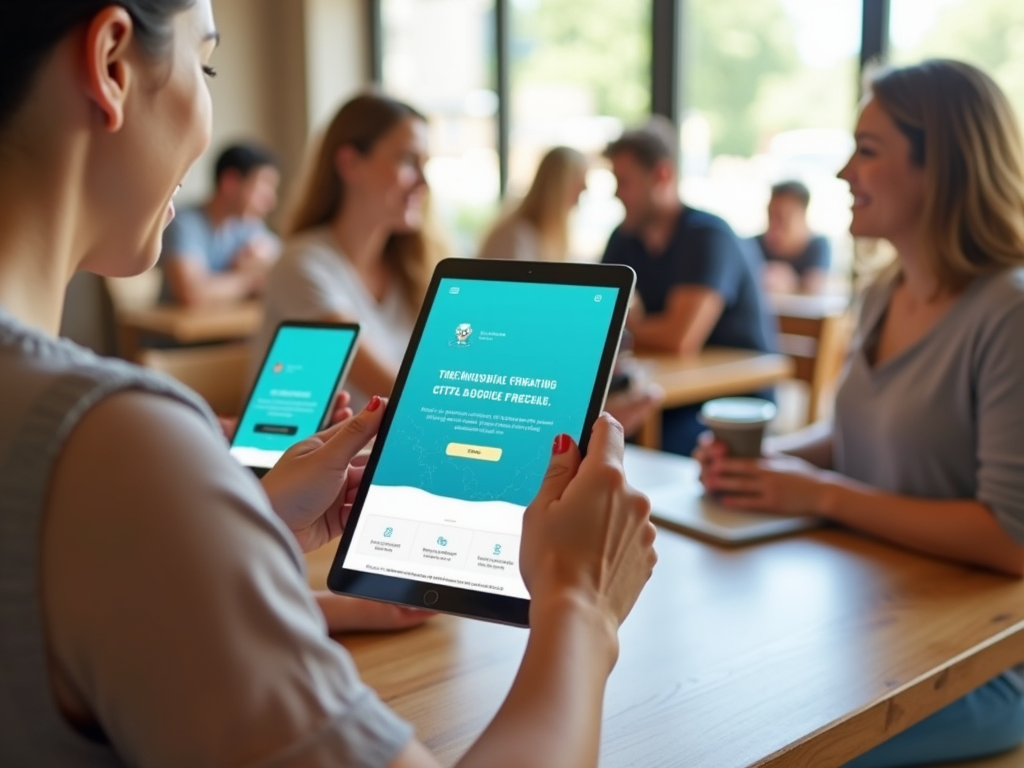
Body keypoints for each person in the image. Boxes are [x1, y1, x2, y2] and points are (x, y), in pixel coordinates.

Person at [0, 3, 658, 766]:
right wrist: (581, 604)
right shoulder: (112, 439)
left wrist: (245, 527)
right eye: (205, 63)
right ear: (114, 63)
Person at [698, 59, 1024, 767]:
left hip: (983, 664)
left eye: (868, 150)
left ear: (945, 166)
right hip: (876, 622)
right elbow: (855, 435)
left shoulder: (1010, 312)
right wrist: (771, 463)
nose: (845, 172)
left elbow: (1009, 539)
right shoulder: (882, 292)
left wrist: (820, 495)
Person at [254, 93, 442, 412]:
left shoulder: (414, 269)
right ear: (350, 164)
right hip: (314, 460)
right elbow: (394, 390)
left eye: (426, 164)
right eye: (408, 161)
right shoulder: (302, 265)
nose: (424, 182)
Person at [601, 117, 776, 456]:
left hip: (732, 400)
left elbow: (679, 339)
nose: (617, 194)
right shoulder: (624, 239)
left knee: (632, 444)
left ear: (662, 175)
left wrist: (632, 324)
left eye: (625, 182)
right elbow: (599, 319)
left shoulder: (707, 236)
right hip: (666, 394)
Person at [160, 142, 282, 305]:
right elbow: (192, 293)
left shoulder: (247, 225)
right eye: (263, 187)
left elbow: (280, 266)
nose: (270, 201)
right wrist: (252, 281)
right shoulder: (183, 223)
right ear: (229, 183)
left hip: (226, 326)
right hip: (178, 328)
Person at [478, 146, 587, 262]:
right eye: (579, 181)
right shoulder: (516, 237)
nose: (585, 188)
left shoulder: (545, 234)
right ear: (558, 186)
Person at [753, 180, 832, 295]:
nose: (774, 225)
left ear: (802, 215)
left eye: (782, 218)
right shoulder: (755, 243)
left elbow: (814, 284)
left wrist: (789, 281)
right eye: (771, 216)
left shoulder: (818, 244)